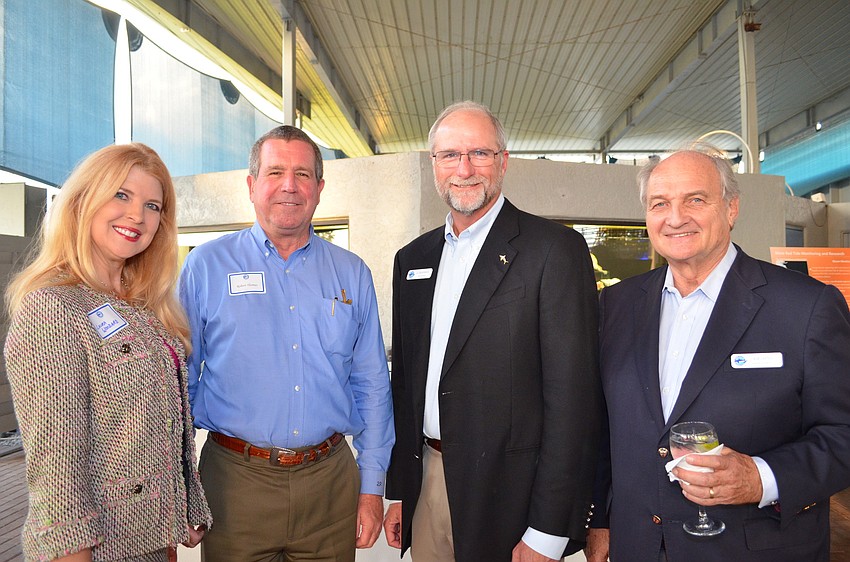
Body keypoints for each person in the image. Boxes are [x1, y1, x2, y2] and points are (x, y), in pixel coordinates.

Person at [585, 144, 850, 562]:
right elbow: (602, 429)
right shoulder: (616, 305)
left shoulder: (807, 307)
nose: (675, 218)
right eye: (660, 203)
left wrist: (761, 478)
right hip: (638, 547)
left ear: (731, 208)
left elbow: (842, 433)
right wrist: (600, 521)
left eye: (695, 199)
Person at [383, 101, 602, 562]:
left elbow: (574, 402)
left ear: (503, 162)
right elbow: (404, 383)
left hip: (514, 499)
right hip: (430, 483)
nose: (465, 169)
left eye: (480, 153)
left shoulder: (553, 251)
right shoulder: (412, 259)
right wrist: (403, 489)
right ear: (434, 164)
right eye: (450, 156)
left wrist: (548, 529)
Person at [178, 125, 394, 562]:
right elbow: (179, 384)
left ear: (319, 188)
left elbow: (372, 385)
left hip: (330, 485)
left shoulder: (351, 274)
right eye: (275, 172)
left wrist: (372, 489)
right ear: (252, 185)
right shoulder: (205, 266)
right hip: (235, 485)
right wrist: (180, 486)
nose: (289, 186)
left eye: (302, 174)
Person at [4, 143, 212, 562]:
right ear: (83, 201)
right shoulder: (54, 306)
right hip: (98, 548)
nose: (137, 215)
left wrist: (186, 501)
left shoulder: (144, 307)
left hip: (155, 541)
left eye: (152, 205)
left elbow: (157, 420)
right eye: (121, 194)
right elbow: (57, 466)